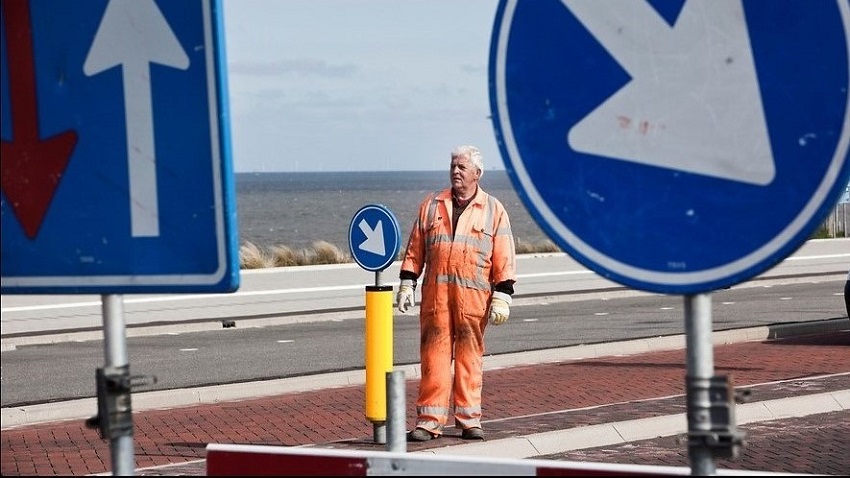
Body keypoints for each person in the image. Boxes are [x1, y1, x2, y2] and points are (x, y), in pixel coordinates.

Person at [396, 144, 517, 442]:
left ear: (478, 173)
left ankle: (469, 420)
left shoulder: (493, 210)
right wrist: (407, 283)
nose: (455, 171)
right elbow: (415, 250)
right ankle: (429, 421)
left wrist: (503, 295)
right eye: (453, 166)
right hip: (437, 300)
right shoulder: (432, 206)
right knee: (433, 359)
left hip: (472, 302)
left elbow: (504, 255)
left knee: (469, 360)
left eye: (462, 167)